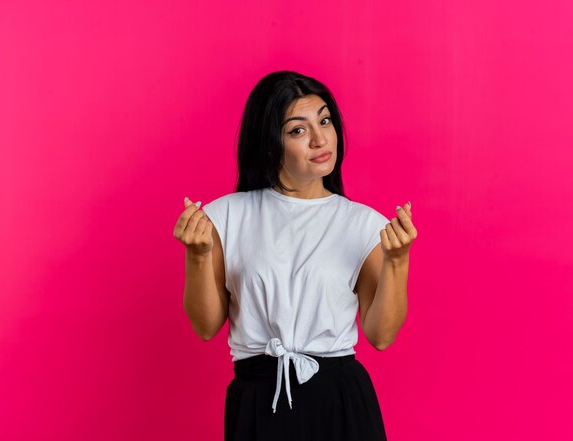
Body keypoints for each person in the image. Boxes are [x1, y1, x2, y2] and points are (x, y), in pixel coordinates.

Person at [173, 70, 417, 441]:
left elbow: (381, 336)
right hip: (258, 396)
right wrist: (197, 254)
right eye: (298, 130)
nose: (321, 139)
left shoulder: (362, 223)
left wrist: (398, 262)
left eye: (325, 120)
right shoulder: (227, 216)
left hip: (339, 399)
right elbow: (206, 327)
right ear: (271, 144)